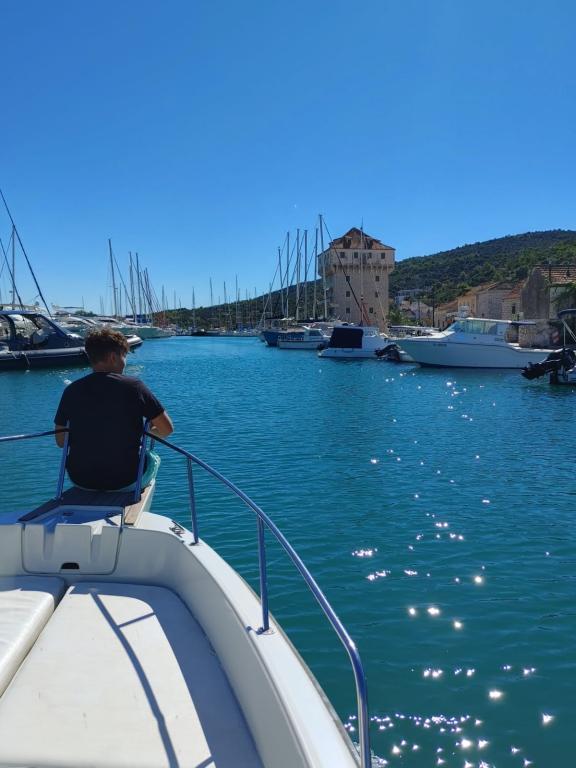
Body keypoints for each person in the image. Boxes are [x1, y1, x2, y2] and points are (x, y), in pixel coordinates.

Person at [54, 328, 173, 491]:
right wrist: (144, 431)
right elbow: (166, 430)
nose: (125, 362)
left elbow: (61, 441)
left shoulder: (72, 390)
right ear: (113, 357)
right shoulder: (134, 387)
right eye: (124, 356)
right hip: (126, 480)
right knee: (153, 458)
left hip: (81, 480)